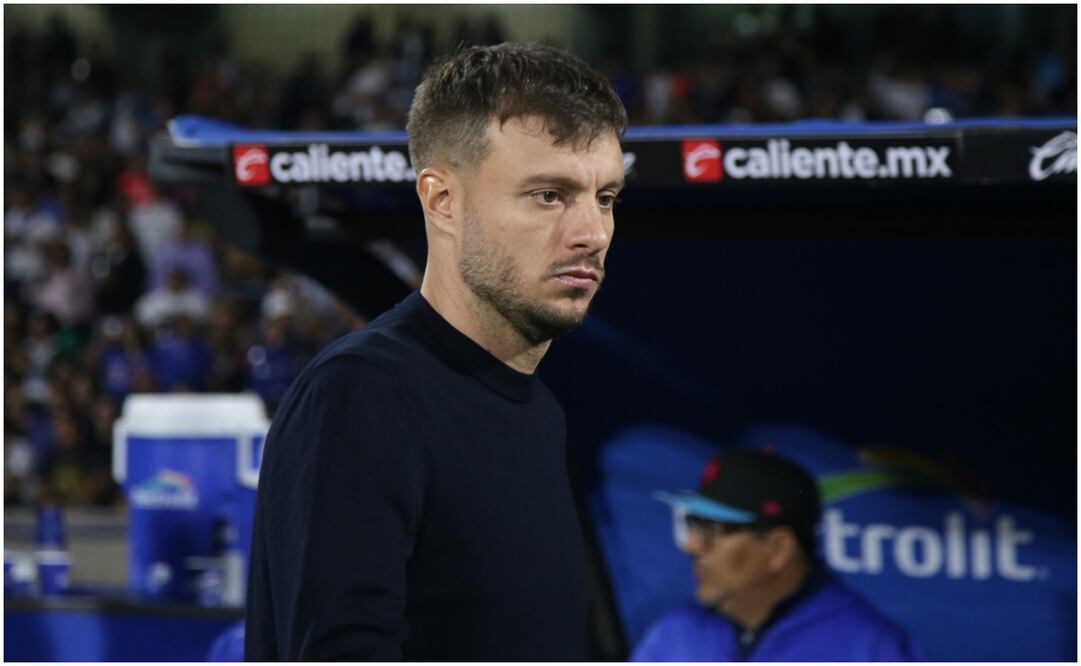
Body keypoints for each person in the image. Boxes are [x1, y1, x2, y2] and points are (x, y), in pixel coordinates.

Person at [245, 43, 627, 660]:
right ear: (442, 200)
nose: (592, 233)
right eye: (549, 195)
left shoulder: (542, 414)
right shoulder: (362, 396)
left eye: (605, 197)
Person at [634, 449, 925, 661]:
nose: (690, 545)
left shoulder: (871, 650)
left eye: (713, 530)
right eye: (693, 524)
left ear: (778, 549)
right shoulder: (676, 633)